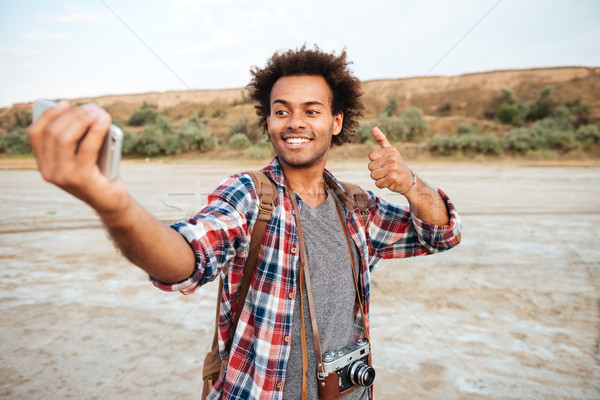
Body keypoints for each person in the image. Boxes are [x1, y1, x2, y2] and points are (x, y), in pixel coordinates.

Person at [27, 45, 462, 399]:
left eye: (312, 111)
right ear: (268, 121)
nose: (295, 122)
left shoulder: (357, 207)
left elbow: (442, 233)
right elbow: (185, 258)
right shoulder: (249, 195)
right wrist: (113, 202)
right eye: (282, 110)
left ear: (336, 121)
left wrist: (410, 185)